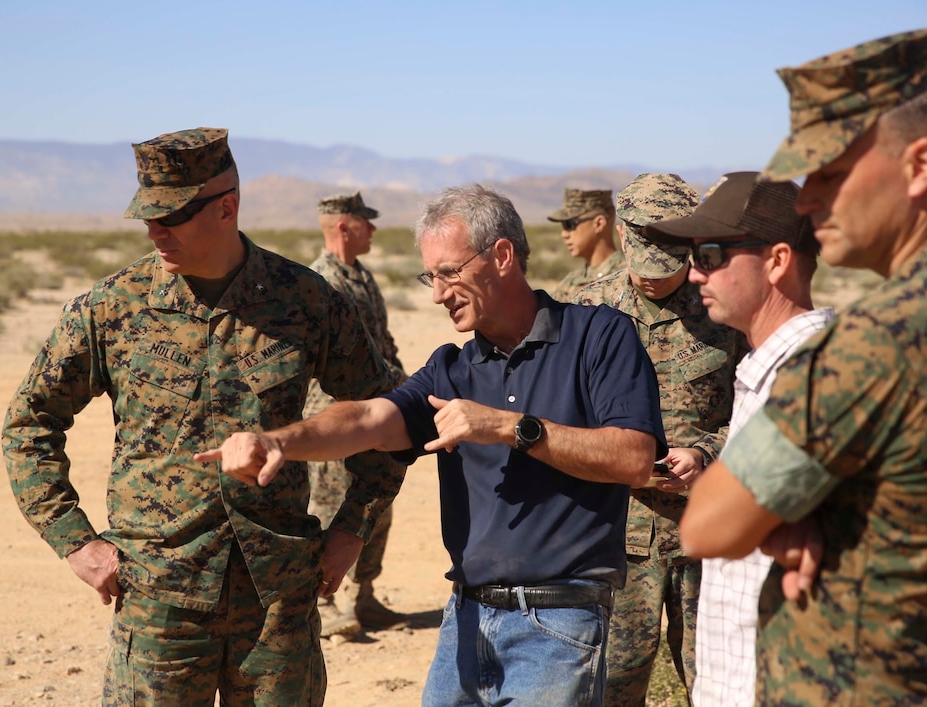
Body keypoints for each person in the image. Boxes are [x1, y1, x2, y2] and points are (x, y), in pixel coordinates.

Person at [197, 184, 668, 707]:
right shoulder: (452, 367)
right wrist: (279, 441)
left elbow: (633, 457)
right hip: (465, 620)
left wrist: (513, 427)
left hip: (558, 621)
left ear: (503, 256)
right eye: (430, 277)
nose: (438, 293)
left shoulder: (600, 336)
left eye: (449, 273)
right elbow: (371, 417)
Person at [2, 127, 404, 707]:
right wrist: (75, 541)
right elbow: (28, 423)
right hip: (160, 597)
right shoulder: (114, 307)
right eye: (148, 217)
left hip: (278, 602)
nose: (154, 231)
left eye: (172, 216)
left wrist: (351, 530)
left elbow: (386, 416)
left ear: (226, 207)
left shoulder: (305, 301)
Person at [680, 28, 927, 703]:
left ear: (921, 165)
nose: (808, 201)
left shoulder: (888, 334)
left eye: (830, 173)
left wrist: (790, 514)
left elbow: (708, 524)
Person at [646, 171, 834, 707]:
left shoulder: (816, 373)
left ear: (776, 261)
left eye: (709, 254)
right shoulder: (766, 366)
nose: (695, 274)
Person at [574, 173, 744, 706]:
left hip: (709, 534)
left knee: (718, 685)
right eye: (644, 262)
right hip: (617, 536)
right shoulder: (582, 311)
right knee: (610, 687)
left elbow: (762, 412)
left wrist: (706, 454)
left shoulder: (728, 307)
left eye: (668, 265)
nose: (653, 279)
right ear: (622, 236)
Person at [306, 192, 410, 638]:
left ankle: (364, 594)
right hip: (335, 411)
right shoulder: (318, 280)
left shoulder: (362, 277)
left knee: (375, 503)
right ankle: (326, 604)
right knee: (330, 506)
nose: (373, 229)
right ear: (344, 226)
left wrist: (404, 386)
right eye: (366, 222)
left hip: (376, 409)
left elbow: (382, 342)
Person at [547, 187, 624, 300]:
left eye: (570, 224)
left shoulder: (629, 277)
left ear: (599, 224)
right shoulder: (569, 284)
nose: (564, 234)